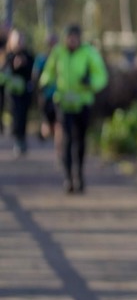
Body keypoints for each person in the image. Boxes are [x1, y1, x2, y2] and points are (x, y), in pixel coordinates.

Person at [39, 24, 108, 193]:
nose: (72, 41)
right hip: (63, 103)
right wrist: (45, 82)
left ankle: (79, 174)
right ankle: (68, 177)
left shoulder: (88, 53)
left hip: (83, 103)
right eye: (69, 37)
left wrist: (90, 82)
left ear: (79, 38)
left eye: (75, 38)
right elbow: (48, 72)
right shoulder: (58, 52)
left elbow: (101, 76)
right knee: (67, 139)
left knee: (80, 140)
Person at [2, 29, 36, 156]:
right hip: (12, 92)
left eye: (21, 39)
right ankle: (17, 139)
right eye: (17, 39)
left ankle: (22, 139)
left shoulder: (28, 55)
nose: (19, 42)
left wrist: (25, 65)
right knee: (16, 114)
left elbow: (33, 73)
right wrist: (14, 66)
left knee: (23, 115)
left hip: (25, 92)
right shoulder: (8, 56)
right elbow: (4, 72)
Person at [32, 31, 59, 142]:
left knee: (58, 120)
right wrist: (39, 88)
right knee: (47, 120)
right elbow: (35, 75)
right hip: (46, 94)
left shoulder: (61, 58)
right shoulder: (42, 58)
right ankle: (46, 135)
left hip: (59, 95)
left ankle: (57, 141)